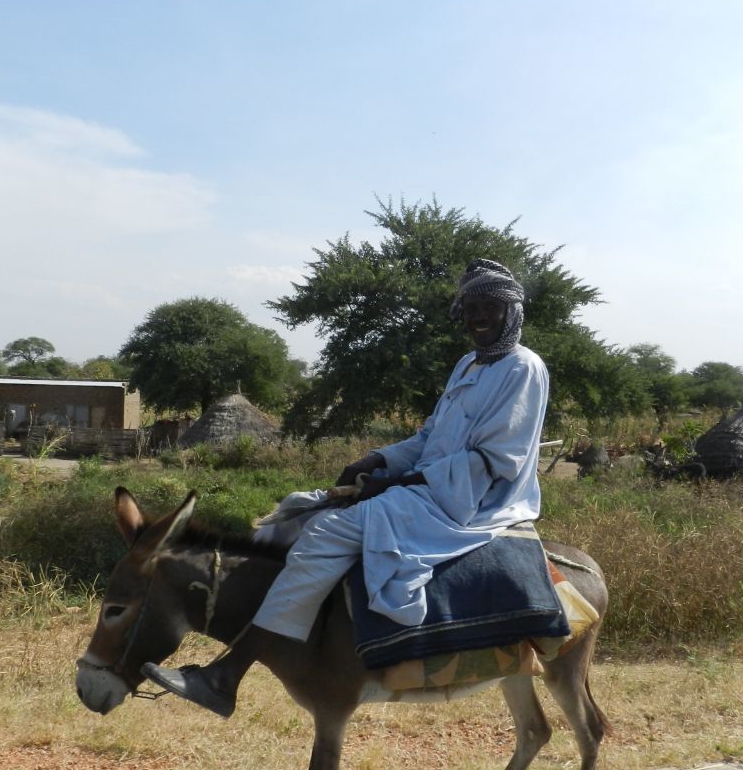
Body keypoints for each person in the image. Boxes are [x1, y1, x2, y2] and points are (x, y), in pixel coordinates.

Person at [141, 258, 550, 717]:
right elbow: (428, 439)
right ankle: (311, 649)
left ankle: (226, 675)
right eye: (470, 307)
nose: (477, 317)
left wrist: (397, 482)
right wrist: (377, 460)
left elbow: (495, 460)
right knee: (296, 511)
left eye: (488, 308)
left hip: (469, 502)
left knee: (325, 534)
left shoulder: (523, 368)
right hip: (427, 488)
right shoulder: (467, 365)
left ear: (511, 311)